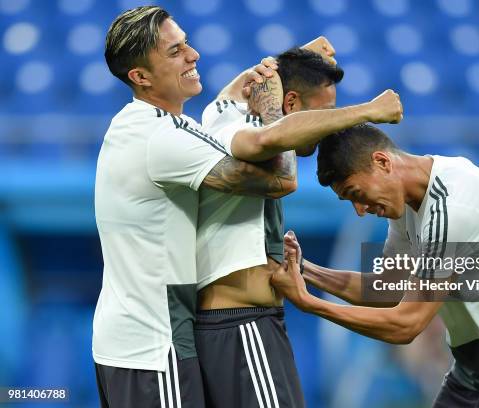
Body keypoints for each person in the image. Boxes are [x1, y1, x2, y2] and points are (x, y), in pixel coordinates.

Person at [94, 6, 402, 407]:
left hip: (174, 333)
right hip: (164, 338)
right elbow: (281, 180)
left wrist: (285, 65)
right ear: (140, 76)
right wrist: (367, 110)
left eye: (187, 43)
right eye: (175, 51)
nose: (193, 55)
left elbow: (229, 96)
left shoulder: (185, 124)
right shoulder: (164, 135)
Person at [271, 124, 479, 407]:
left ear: (382, 162)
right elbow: (385, 289)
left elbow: (406, 324)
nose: (360, 210)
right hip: (472, 374)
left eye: (356, 194)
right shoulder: (407, 203)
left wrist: (309, 303)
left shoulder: (455, 206)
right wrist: (304, 270)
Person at [193, 43, 403, 407]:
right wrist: (369, 111)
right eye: (324, 114)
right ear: (289, 103)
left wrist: (289, 58)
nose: (329, 127)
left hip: (247, 325)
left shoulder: (227, 112)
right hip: (240, 326)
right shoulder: (238, 127)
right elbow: (282, 164)